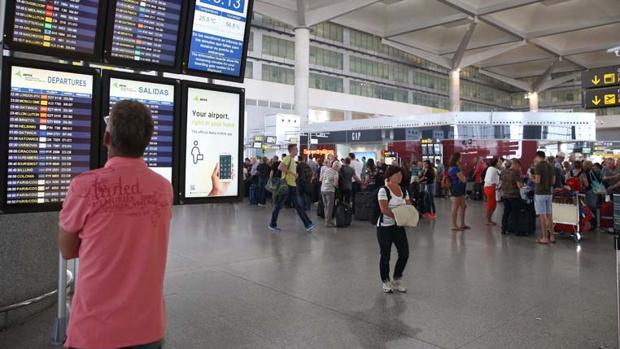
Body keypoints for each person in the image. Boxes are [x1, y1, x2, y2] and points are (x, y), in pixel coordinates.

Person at [58, 101, 172, 349]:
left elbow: (67, 249)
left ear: (106, 137)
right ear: (147, 140)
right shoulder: (163, 188)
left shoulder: (84, 186)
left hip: (94, 330)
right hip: (148, 329)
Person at [376, 166, 411, 294]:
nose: (400, 177)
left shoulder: (404, 190)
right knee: (385, 255)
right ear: (389, 176)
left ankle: (397, 279)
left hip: (398, 226)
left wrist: (410, 217)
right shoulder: (383, 191)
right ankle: (385, 281)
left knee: (404, 253)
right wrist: (398, 217)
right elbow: (384, 209)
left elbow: (409, 206)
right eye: (397, 174)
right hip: (384, 227)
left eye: (401, 174)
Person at [269, 145, 316, 232]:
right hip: (287, 186)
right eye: (296, 149)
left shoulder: (293, 161)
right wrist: (292, 173)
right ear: (292, 150)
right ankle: (272, 224)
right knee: (279, 206)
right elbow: (280, 167)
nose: (297, 150)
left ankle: (308, 224)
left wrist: (295, 175)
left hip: (292, 186)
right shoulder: (288, 158)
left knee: (298, 206)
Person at [532, 151, 555, 244]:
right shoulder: (550, 166)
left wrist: (531, 178)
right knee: (549, 215)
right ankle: (552, 236)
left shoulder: (538, 166)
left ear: (537, 156)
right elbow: (553, 181)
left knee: (542, 215)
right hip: (549, 193)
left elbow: (537, 180)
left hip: (540, 193)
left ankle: (544, 237)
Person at [501, 159, 523, 235]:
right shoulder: (516, 172)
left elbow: (501, 183)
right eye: (518, 166)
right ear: (515, 164)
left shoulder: (503, 171)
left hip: (505, 195)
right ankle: (517, 231)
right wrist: (522, 184)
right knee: (516, 214)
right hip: (514, 196)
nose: (519, 168)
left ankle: (503, 229)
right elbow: (519, 185)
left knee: (506, 213)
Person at [448, 152, 468, 231]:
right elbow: (463, 179)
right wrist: (464, 177)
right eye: (460, 157)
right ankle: (454, 225)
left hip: (459, 188)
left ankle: (462, 224)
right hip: (456, 189)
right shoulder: (455, 168)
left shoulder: (454, 167)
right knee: (455, 207)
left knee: (463, 206)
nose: (461, 159)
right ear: (457, 158)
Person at [320, 161, 341, 227]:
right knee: (330, 207)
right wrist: (337, 186)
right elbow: (335, 184)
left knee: (325, 206)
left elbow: (321, 179)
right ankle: (328, 223)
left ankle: (327, 220)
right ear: (337, 167)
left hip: (323, 189)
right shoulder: (336, 173)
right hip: (330, 191)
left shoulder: (326, 170)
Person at [483, 158, 501, 225]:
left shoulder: (491, 168)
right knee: (491, 205)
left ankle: (489, 219)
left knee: (493, 205)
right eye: (499, 162)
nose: (501, 163)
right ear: (496, 163)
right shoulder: (494, 169)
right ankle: (487, 220)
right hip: (489, 188)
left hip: (489, 188)